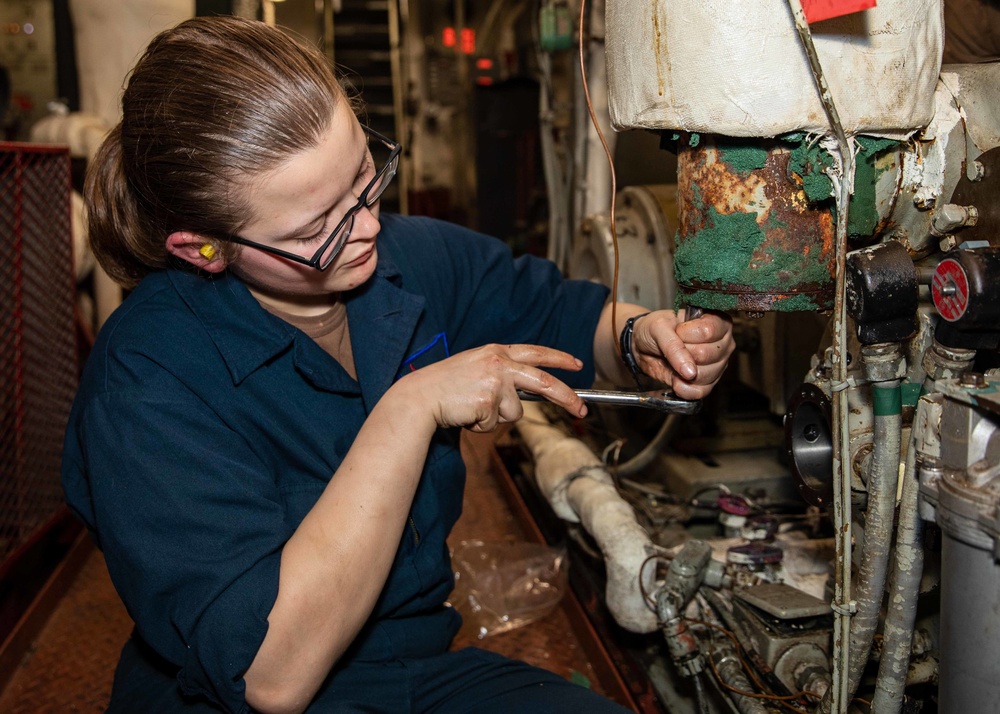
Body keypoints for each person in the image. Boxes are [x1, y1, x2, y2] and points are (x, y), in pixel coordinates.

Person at [61, 15, 735, 714]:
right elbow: (271, 675)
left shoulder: (409, 259)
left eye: (364, 174)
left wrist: (642, 337)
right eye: (315, 230)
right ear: (203, 248)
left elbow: (562, 314)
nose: (368, 226)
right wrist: (412, 408)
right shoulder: (146, 380)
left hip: (407, 668)